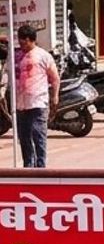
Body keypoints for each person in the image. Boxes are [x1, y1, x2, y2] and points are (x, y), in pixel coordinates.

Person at [10, 25, 60, 167]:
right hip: (20, 104)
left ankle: (41, 168)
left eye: (24, 42)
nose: (22, 45)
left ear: (31, 40)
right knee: (24, 139)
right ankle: (28, 167)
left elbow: (55, 78)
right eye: (20, 42)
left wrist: (55, 96)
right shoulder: (16, 56)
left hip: (38, 103)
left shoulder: (43, 56)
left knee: (38, 137)